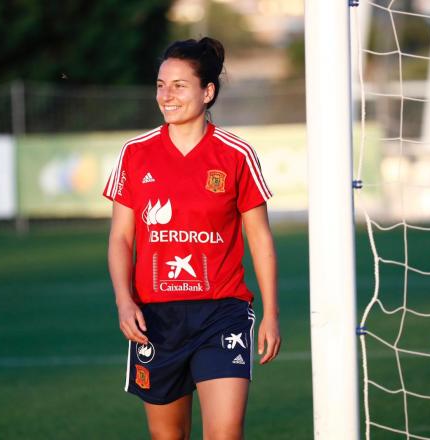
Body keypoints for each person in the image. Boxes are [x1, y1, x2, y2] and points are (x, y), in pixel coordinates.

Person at [103, 37, 280, 440]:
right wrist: (123, 299)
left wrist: (271, 312)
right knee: (168, 436)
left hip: (222, 312)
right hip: (155, 319)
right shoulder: (135, 154)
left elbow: (261, 241)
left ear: (207, 91)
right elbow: (121, 240)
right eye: (161, 84)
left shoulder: (236, 155)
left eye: (179, 85)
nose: (166, 95)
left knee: (226, 432)